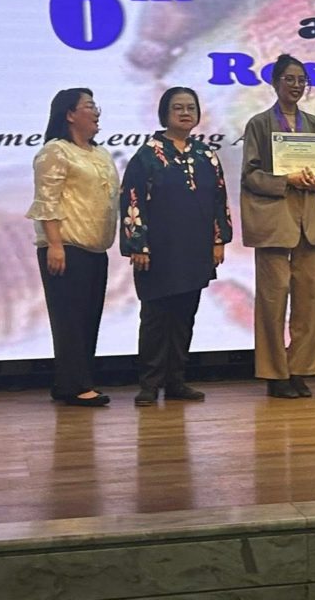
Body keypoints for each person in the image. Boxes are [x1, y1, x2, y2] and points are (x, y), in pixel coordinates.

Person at [120, 87, 232, 406]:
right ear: (164, 113)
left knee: (184, 319)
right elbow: (132, 200)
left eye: (190, 107)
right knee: (156, 320)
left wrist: (218, 239)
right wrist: (138, 245)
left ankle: (176, 381)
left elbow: (219, 199)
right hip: (157, 252)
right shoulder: (147, 155)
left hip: (195, 251)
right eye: (178, 107)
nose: (185, 113)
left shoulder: (206, 155)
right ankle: (149, 384)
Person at [241, 54, 315, 399]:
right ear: (275, 82)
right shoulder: (260, 124)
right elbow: (250, 176)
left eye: (301, 79)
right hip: (274, 221)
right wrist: (285, 180)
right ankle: (274, 373)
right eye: (289, 79)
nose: (295, 85)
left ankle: (299, 369)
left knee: (309, 300)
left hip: (308, 221)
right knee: (273, 299)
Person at [27, 88, 119, 407]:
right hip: (65, 247)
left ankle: (71, 382)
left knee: (88, 318)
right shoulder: (56, 151)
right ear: (69, 114)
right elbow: (46, 201)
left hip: (95, 249)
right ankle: (76, 385)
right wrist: (54, 244)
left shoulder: (100, 153)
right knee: (69, 319)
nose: (97, 112)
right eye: (89, 106)